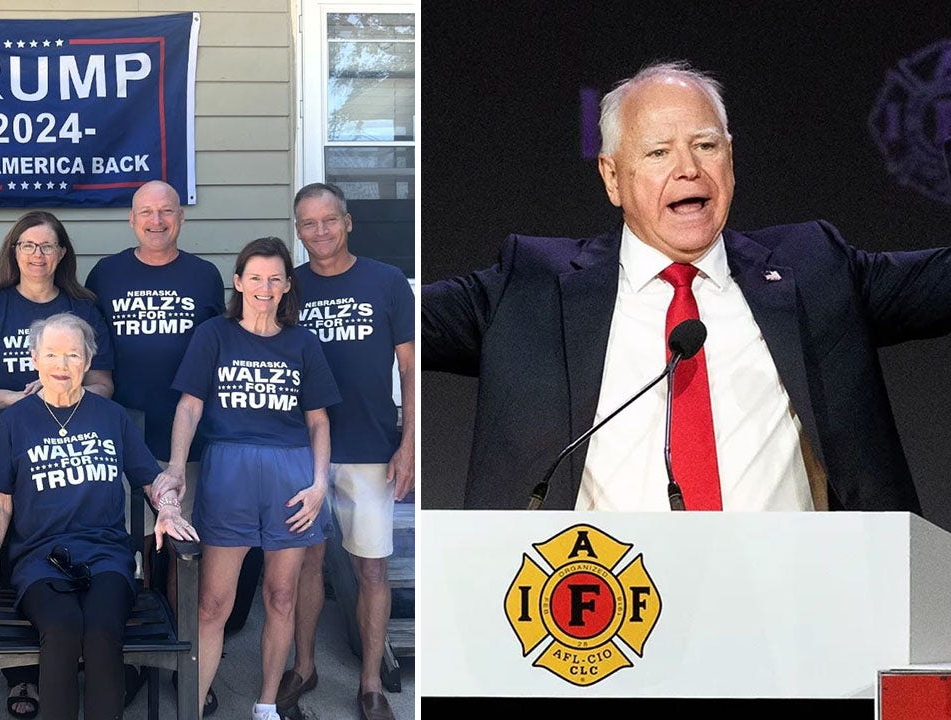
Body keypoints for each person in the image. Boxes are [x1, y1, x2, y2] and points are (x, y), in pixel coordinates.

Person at [421, 60, 951, 512]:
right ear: (612, 177)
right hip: (602, 612)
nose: (689, 169)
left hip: (797, 600)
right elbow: (386, 312)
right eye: (658, 153)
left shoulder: (814, 268)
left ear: (731, 159)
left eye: (705, 145)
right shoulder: (531, 287)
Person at [0, 312, 197, 720]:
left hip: (107, 556)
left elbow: (151, 480)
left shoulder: (112, 418)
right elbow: (0, 502)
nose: (62, 365)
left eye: (73, 355)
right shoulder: (16, 420)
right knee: (61, 630)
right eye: (52, 354)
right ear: (34, 359)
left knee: (102, 629)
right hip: (39, 559)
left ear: (88, 361)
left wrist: (167, 508)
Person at [166, 237, 341, 720]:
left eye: (275, 278)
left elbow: (319, 421)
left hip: (291, 475)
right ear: (239, 282)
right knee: (212, 604)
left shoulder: (303, 343)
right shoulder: (213, 335)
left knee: (281, 596)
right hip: (229, 472)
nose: (265, 287)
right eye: (255, 277)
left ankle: (266, 705)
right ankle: (194, 705)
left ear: (287, 286)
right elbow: (189, 405)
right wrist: (178, 468)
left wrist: (320, 483)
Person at [0, 210, 116, 718]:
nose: (37, 254)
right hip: (15, 456)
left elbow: (105, 384)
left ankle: (77, 674)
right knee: (23, 561)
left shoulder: (84, 309)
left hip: (76, 459)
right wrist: (21, 400)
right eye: (27, 245)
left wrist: (61, 392)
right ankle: (24, 680)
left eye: (47, 246)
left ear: (62, 253)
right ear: (14, 251)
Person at [84, 179, 225, 713]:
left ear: (181, 218)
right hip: (117, 437)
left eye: (168, 211)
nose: (158, 220)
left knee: (178, 551)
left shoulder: (204, 276)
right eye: (147, 211)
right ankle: (133, 657)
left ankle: (183, 657)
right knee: (131, 550)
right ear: (132, 219)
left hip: (182, 438)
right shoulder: (107, 273)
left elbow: (218, 354)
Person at [283, 182, 415, 720]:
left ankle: (369, 686)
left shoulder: (385, 282)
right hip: (300, 449)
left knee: (373, 571)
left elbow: (409, 368)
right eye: (308, 224)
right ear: (298, 230)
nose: (319, 232)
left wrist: (411, 442)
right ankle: (305, 666)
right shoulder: (287, 286)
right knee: (306, 564)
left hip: (370, 446)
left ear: (348, 221)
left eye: (328, 221)